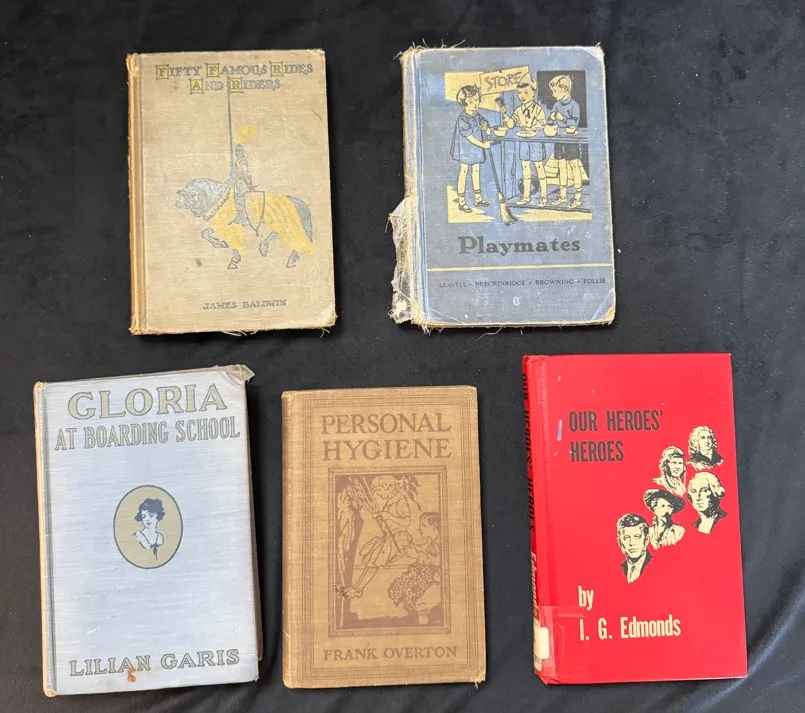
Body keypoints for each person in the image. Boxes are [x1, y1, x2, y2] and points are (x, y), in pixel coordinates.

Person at [345, 475, 413, 599]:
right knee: (371, 556)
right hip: (389, 537)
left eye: (379, 490)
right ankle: (357, 587)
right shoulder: (389, 500)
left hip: (399, 538)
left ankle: (358, 588)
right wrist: (380, 517)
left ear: (389, 487)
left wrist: (389, 516)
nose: (378, 493)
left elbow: (406, 522)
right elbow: (386, 523)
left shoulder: (400, 499)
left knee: (375, 561)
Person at [502, 74, 548, 206]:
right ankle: (526, 196)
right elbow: (511, 124)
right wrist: (505, 116)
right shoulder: (518, 110)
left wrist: (533, 128)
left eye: (526, 92)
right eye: (520, 92)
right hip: (524, 142)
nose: (522, 95)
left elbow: (542, 123)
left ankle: (543, 197)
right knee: (525, 169)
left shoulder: (538, 110)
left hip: (535, 142)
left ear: (533, 93)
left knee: (539, 167)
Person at [389, 512, 443, 625]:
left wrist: (418, 555)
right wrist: (408, 545)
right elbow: (422, 548)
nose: (420, 528)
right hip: (433, 581)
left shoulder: (443, 543)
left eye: (424, 525)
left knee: (421, 604)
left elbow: (441, 561)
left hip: (444, 584)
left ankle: (426, 628)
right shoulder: (430, 541)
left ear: (434, 527)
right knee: (410, 602)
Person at [450, 86, 492, 214]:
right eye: (471, 101)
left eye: (476, 100)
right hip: (465, 149)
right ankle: (462, 202)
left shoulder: (477, 115)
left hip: (475, 149)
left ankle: (478, 199)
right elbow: (469, 137)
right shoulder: (462, 119)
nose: (475, 103)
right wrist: (483, 145)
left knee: (476, 170)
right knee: (464, 171)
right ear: (464, 102)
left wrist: (486, 128)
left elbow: (485, 124)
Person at [547, 75, 584, 208]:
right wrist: (551, 117)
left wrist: (562, 118)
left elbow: (574, 122)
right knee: (561, 167)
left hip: (571, 140)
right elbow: (551, 119)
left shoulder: (574, 105)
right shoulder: (556, 105)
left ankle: (578, 197)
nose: (553, 94)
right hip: (559, 139)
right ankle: (563, 196)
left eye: (555, 91)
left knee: (574, 166)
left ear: (565, 90)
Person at [617, 513, 652, 583]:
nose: (631, 543)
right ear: (620, 542)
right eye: (626, 537)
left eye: (637, 537)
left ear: (646, 540)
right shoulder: (617, 570)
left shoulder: (659, 566)